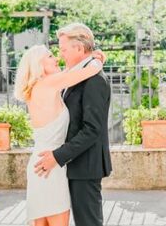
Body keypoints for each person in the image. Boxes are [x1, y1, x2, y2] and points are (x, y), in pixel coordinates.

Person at [14, 38, 104, 226]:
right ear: (39, 64)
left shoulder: (38, 87)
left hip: (40, 162)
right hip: (50, 164)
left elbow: (69, 73)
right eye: (50, 56)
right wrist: (97, 59)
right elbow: (90, 70)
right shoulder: (49, 83)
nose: (56, 58)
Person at [32, 23, 113, 226]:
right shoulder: (77, 75)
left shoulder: (94, 80)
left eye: (63, 49)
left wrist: (58, 156)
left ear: (79, 48)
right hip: (72, 164)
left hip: (85, 166)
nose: (60, 55)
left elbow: (92, 129)